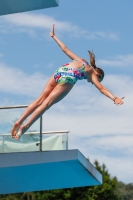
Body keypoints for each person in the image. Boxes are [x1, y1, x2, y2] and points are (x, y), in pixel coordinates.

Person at [11, 24, 124, 140]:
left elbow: (65, 49)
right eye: (95, 81)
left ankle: (19, 121)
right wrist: (114, 98)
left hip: (60, 70)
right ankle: (25, 127)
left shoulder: (82, 60)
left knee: (40, 99)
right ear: (97, 74)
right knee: (46, 104)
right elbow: (102, 89)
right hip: (69, 76)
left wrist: (54, 36)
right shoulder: (91, 72)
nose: (92, 82)